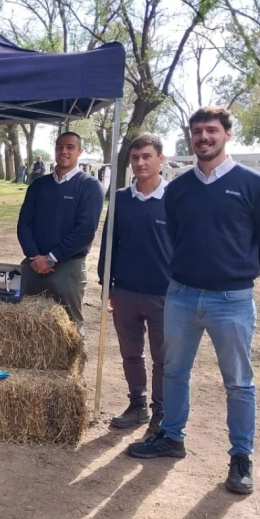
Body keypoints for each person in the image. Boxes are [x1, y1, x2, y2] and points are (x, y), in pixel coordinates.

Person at [128, 107, 260, 496]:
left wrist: (239, 272)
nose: (203, 138)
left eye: (211, 131)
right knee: (175, 372)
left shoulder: (254, 184)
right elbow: (179, 236)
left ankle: (241, 457)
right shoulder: (179, 190)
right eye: (197, 132)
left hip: (232, 299)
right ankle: (171, 437)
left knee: (238, 382)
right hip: (181, 295)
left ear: (227, 135)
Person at [98, 135, 171, 434]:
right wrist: (107, 286)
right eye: (135, 157)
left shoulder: (175, 198)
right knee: (131, 354)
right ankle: (137, 405)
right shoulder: (120, 199)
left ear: (160, 159)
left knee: (164, 360)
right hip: (125, 292)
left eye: (147, 156)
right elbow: (107, 246)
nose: (140, 162)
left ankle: (162, 413)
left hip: (165, 295)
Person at [16, 132, 103, 333]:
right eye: (59, 146)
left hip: (68, 266)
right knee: (25, 322)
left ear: (79, 151)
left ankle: (74, 365)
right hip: (33, 264)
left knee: (70, 327)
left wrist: (52, 258)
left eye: (70, 147)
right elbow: (24, 224)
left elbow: (85, 230)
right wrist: (34, 256)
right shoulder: (38, 185)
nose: (64, 151)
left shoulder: (89, 186)